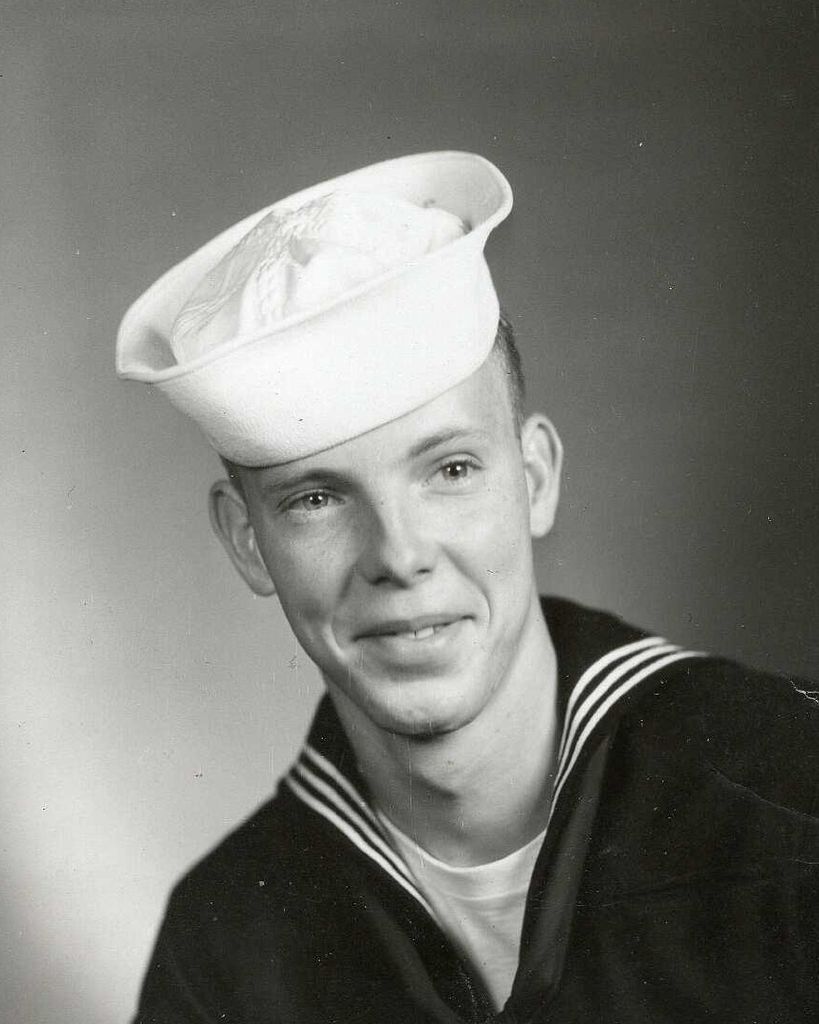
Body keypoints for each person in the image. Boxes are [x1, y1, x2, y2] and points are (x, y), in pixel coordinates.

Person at [117, 152, 819, 1023]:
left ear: (535, 477)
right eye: (316, 499)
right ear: (246, 541)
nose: (399, 555)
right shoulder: (223, 949)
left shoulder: (792, 788)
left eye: (449, 470)